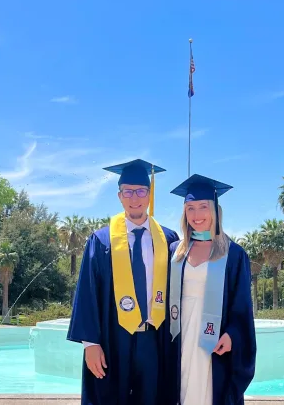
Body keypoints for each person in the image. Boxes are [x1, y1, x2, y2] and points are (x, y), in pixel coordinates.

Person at [66, 159, 180, 405]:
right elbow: (87, 292)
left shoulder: (169, 239)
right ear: (119, 196)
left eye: (141, 191)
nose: (134, 198)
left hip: (154, 340)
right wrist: (90, 344)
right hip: (112, 339)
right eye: (127, 191)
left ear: (149, 195)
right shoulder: (101, 239)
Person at [165, 174, 257, 405]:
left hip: (213, 340)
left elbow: (242, 305)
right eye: (190, 208)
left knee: (209, 392)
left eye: (203, 207)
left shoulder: (233, 254)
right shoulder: (175, 251)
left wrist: (232, 335)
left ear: (215, 210)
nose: (197, 215)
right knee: (180, 388)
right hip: (179, 336)